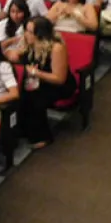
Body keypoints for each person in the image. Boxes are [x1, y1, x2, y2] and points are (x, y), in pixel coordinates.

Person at [16, 17, 76, 149]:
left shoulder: (56, 48)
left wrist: (35, 73)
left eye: (31, 32)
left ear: (40, 35)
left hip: (59, 85)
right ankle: (23, 130)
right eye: (26, 30)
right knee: (20, 93)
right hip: (39, 80)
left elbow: (59, 78)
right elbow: (17, 56)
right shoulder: (29, 43)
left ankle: (42, 136)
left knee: (35, 96)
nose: (27, 35)